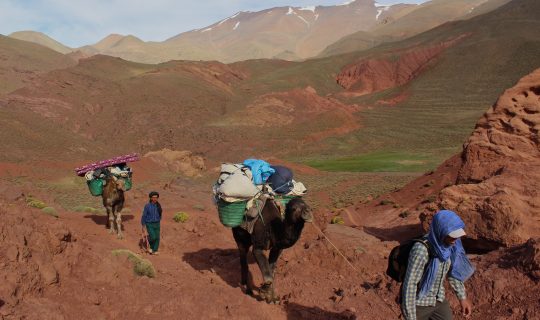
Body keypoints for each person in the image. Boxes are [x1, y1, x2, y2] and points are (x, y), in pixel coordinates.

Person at [402, 210, 475, 320]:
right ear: (441, 231)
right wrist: (410, 316)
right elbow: (410, 284)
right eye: (452, 236)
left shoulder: (449, 246)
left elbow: (453, 272)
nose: (455, 240)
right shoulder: (421, 250)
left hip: (438, 298)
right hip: (419, 303)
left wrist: (462, 298)